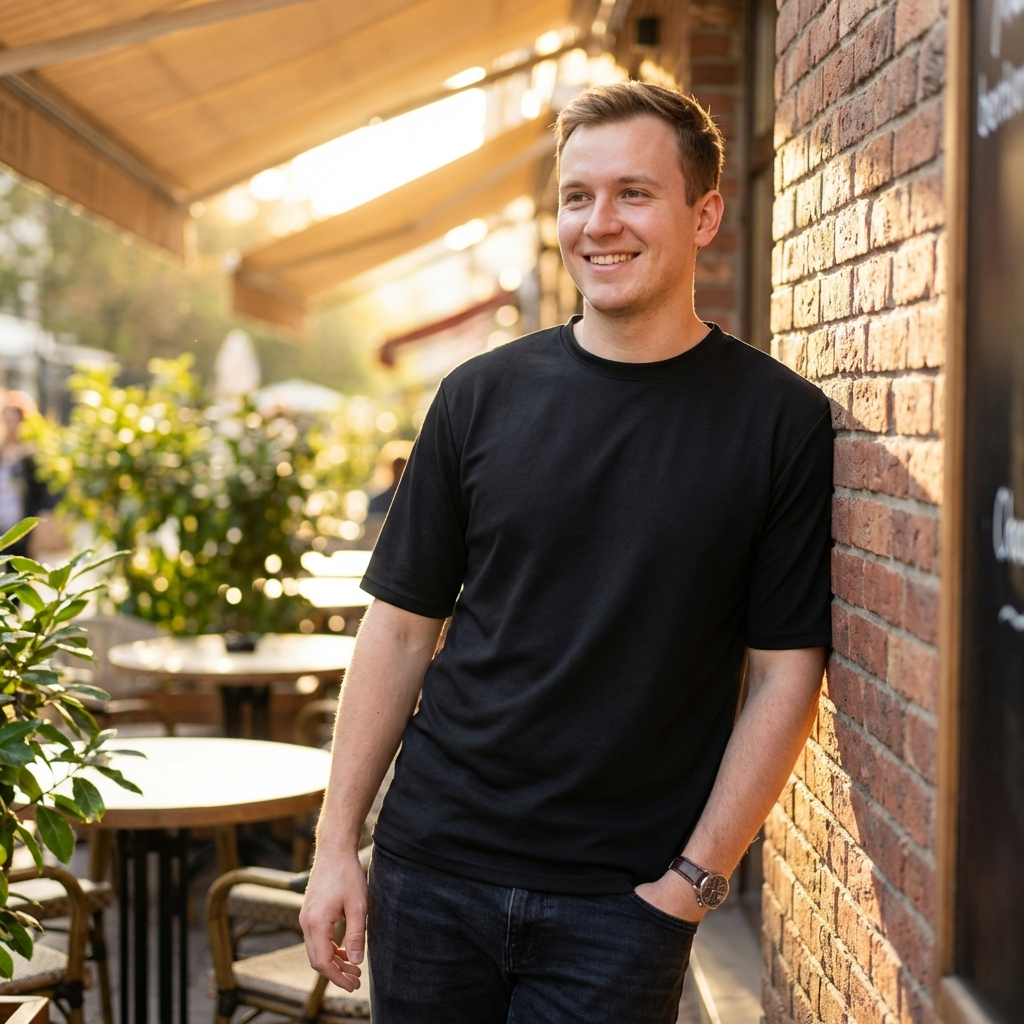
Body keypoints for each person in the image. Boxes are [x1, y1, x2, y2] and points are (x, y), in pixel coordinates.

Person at [300, 81, 833, 1024]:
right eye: (576, 197)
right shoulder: (478, 397)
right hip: (432, 873)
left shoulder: (778, 420)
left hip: (622, 905)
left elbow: (787, 672)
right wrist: (338, 842)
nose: (599, 224)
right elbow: (397, 630)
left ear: (704, 213)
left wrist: (693, 885)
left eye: (634, 193)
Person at [0, 392, 50, 557]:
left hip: (21, 522)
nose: (10, 422)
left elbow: (40, 488)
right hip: (2, 518)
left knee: (20, 571)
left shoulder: (31, 453)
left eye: (13, 417)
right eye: (6, 417)